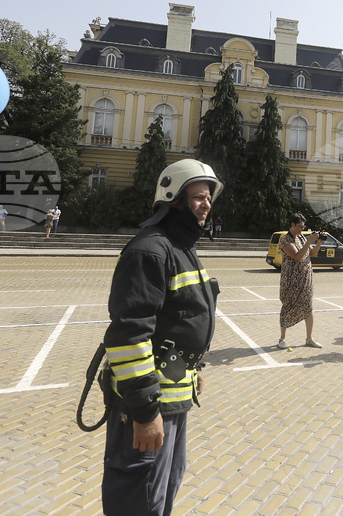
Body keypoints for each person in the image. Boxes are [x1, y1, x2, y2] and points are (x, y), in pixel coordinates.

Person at [100, 159, 222, 516]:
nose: (206, 204)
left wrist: (193, 366)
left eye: (209, 198)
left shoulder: (181, 248)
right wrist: (145, 410)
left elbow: (178, 320)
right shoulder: (150, 250)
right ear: (173, 199)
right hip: (150, 405)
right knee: (139, 497)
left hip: (175, 395)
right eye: (199, 196)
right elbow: (128, 336)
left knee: (163, 489)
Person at [277, 213, 325, 349]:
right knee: (288, 306)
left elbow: (312, 253)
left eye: (303, 226)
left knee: (308, 307)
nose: (302, 229)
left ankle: (309, 339)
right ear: (292, 225)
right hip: (291, 281)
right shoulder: (286, 240)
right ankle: (282, 339)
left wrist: (319, 243)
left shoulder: (302, 237)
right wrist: (309, 241)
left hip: (305, 279)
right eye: (300, 226)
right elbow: (297, 256)